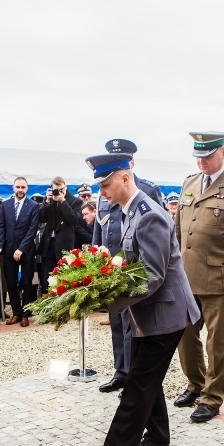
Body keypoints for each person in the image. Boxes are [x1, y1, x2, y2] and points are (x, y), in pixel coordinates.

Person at [89, 153, 200, 446]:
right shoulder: (127, 211)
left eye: (106, 184)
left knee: (137, 386)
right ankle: (158, 437)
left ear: (125, 178)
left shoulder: (148, 214)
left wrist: (110, 303)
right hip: (148, 312)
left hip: (166, 314)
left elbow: (153, 274)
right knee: (145, 377)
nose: (102, 192)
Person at [174, 131, 224, 423]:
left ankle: (212, 397)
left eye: (207, 156)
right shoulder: (189, 183)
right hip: (186, 278)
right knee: (185, 337)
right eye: (198, 156)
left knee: (217, 343)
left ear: (223, 153)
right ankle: (195, 384)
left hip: (219, 282)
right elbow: (178, 232)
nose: (202, 162)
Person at [93, 138, 164, 395]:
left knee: (133, 325)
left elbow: (158, 231)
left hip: (133, 266)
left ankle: (134, 375)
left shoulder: (144, 190)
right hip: (110, 263)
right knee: (116, 322)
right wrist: (95, 255)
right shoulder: (104, 189)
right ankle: (120, 372)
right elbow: (99, 226)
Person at [0, 177, 39, 327]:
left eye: (23, 187)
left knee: (26, 282)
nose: (20, 190)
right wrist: (0, 245)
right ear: (13, 188)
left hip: (26, 250)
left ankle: (26, 314)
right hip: (8, 249)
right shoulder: (6, 205)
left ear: (27, 188)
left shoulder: (33, 206)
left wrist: (21, 249)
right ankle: (16, 312)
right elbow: (1, 227)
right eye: (18, 187)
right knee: (11, 282)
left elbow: (32, 230)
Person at [38, 177, 83, 295]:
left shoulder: (75, 201)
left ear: (66, 187)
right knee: (47, 278)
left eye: (61, 189)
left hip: (64, 244)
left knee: (64, 278)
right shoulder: (50, 200)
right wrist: (47, 202)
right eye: (56, 190)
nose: (59, 192)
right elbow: (42, 218)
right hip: (48, 244)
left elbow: (73, 219)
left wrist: (63, 201)